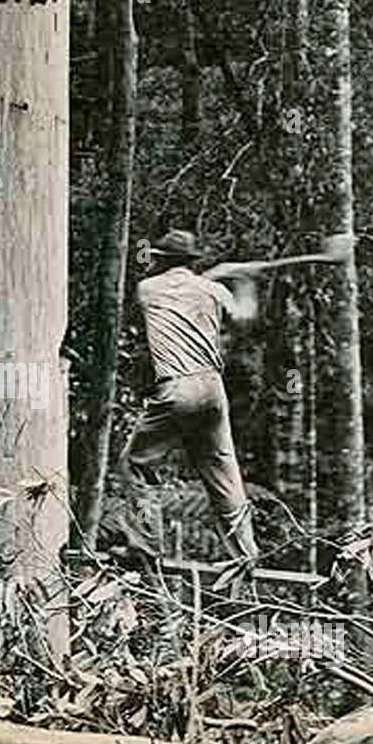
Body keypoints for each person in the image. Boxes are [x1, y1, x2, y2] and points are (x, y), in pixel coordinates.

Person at [115, 229, 262, 562]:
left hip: (177, 388)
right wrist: (247, 282)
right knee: (222, 471)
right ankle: (245, 553)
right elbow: (245, 319)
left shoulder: (147, 289)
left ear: (161, 261)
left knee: (135, 464)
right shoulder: (213, 290)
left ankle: (144, 543)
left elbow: (173, 290)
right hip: (211, 389)